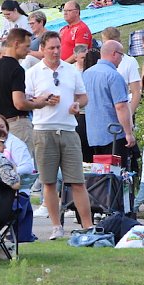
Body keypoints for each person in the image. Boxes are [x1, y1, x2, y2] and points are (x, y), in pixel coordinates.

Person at [25, 31, 92, 240]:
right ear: (42, 49)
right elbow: (26, 101)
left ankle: (88, 226)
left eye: (58, 47)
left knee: (77, 181)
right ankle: (56, 226)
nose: (55, 51)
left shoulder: (71, 70)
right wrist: (43, 100)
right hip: (43, 130)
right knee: (49, 182)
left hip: (68, 129)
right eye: (51, 48)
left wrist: (77, 105)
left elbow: (83, 97)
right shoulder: (33, 72)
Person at [0, 28, 35, 157]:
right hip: (18, 124)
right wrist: (37, 104)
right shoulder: (17, 69)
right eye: (27, 46)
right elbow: (19, 103)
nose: (28, 50)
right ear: (16, 44)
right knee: (23, 163)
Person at [82, 41, 136, 167]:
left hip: (93, 135)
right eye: (121, 55)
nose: (121, 59)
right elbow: (121, 107)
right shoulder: (114, 76)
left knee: (100, 174)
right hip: (114, 134)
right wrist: (128, 133)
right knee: (117, 173)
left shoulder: (86, 74)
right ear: (114, 54)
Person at [101, 26, 142, 112]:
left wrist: (129, 114)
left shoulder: (129, 61)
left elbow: (136, 92)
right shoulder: (99, 64)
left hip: (123, 108)